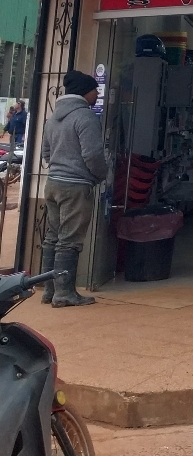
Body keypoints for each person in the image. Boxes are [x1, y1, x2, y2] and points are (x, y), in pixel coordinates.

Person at [39, 71, 107, 307]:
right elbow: (93, 155)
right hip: (76, 186)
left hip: (53, 184)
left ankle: (49, 290)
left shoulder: (52, 118)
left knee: (52, 237)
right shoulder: (85, 117)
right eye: (95, 90)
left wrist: (60, 167)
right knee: (69, 240)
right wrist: (99, 175)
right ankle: (64, 293)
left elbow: (46, 153)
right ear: (84, 91)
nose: (97, 94)